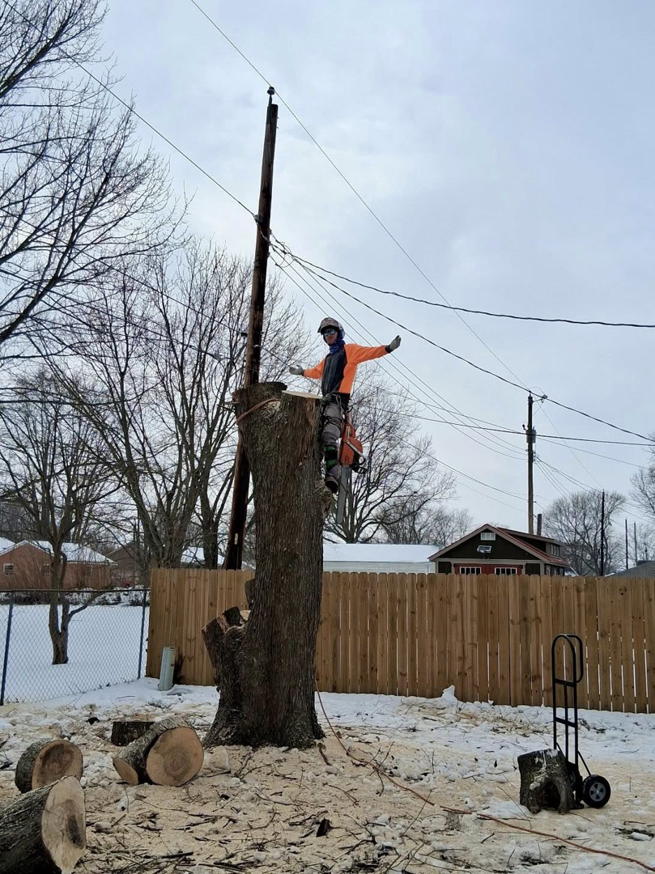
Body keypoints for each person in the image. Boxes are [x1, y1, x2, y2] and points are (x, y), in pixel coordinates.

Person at [289, 317, 401, 493]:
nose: (329, 335)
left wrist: (388, 348)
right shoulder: (327, 359)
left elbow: (369, 352)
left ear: (338, 332)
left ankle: (333, 473)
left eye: (331, 331)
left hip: (338, 402)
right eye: (325, 333)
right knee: (313, 435)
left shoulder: (349, 350)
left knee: (329, 435)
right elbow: (316, 372)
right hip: (322, 403)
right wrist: (302, 372)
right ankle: (312, 472)